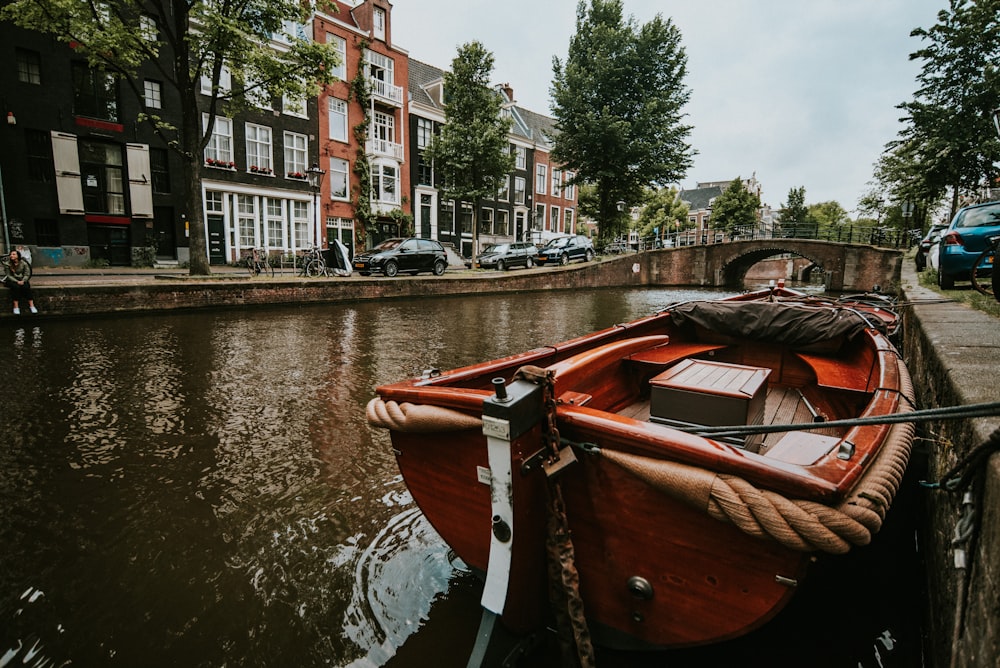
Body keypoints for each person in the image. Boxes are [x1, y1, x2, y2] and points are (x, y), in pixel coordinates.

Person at [2, 249, 37, 315]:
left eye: (13, 254)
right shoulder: (8, 264)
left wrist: (23, 280)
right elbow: (9, 275)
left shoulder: (23, 263)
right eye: (11, 254)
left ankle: (32, 305)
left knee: (26, 287)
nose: (11, 256)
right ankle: (16, 306)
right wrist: (17, 281)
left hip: (22, 279)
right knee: (16, 287)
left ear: (18, 256)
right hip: (12, 280)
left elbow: (27, 273)